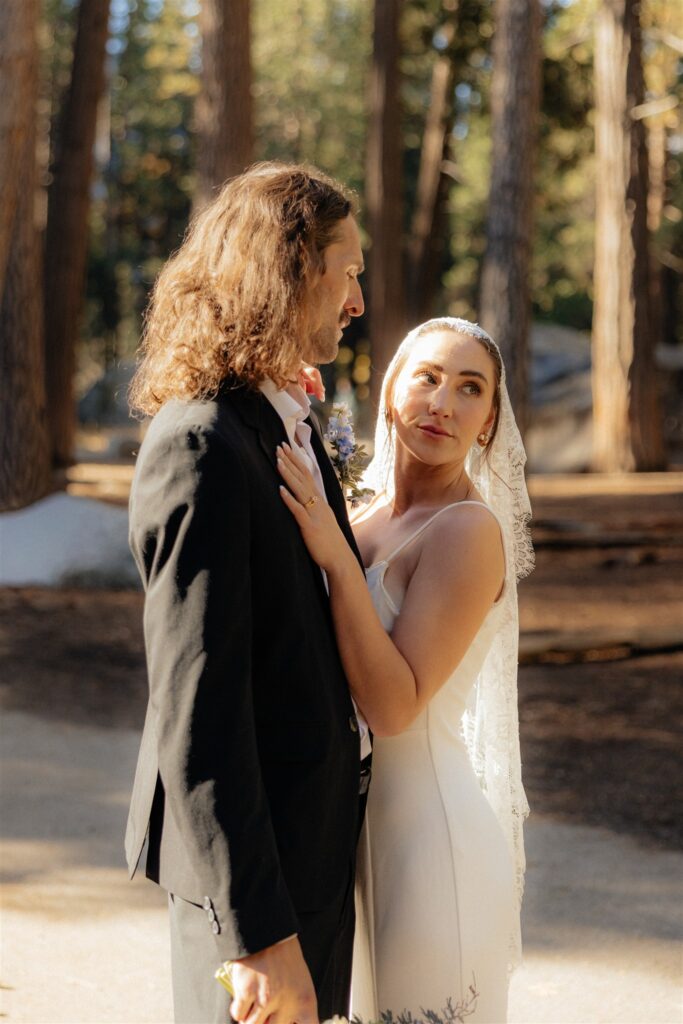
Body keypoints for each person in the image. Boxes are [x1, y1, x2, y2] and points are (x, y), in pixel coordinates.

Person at [124, 161, 370, 1024]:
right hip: (253, 888)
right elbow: (200, 711)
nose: (357, 300)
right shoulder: (200, 444)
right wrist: (259, 934)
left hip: (302, 854)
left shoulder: (277, 423)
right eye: (348, 271)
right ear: (293, 269)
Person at [277, 317, 534, 1023]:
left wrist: (334, 557)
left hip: (430, 844)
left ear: (487, 422)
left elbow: (394, 710)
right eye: (426, 377)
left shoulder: (466, 533)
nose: (442, 403)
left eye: (469, 389)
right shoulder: (363, 514)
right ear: (391, 390)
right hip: (349, 836)